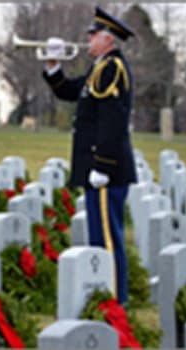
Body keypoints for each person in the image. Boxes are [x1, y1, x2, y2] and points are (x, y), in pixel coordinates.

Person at [41, 6, 136, 306]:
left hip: (106, 169)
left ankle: (116, 302)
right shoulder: (99, 68)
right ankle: (107, 297)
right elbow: (70, 91)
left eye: (93, 35)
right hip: (98, 168)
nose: (88, 39)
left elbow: (113, 120)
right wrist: (53, 65)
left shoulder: (112, 69)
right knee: (99, 237)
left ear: (108, 39)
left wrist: (103, 164)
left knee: (108, 240)